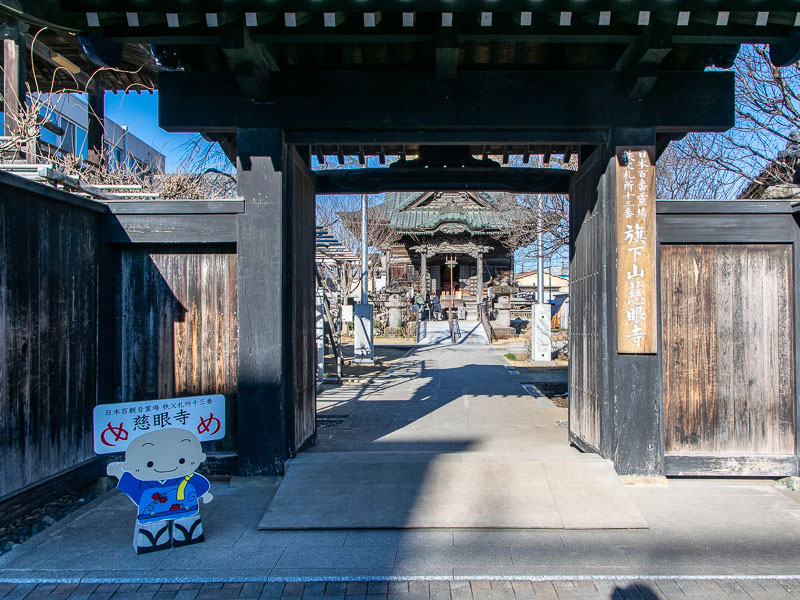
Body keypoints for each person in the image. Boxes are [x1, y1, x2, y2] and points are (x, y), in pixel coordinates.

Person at [107, 428, 213, 554]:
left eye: (181, 461)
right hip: (152, 513)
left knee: (187, 526)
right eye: (150, 463)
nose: (166, 465)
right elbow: (132, 485)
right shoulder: (143, 480)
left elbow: (199, 485)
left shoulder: (187, 477)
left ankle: (187, 535)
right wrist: (119, 473)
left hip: (185, 508)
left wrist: (205, 494)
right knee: (153, 532)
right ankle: (152, 541)